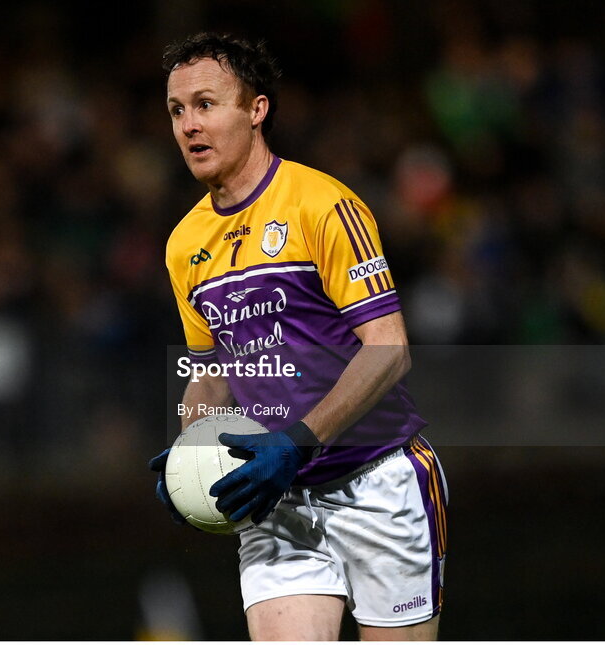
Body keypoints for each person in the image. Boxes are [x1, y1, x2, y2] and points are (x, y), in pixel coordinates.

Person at [149, 32, 448, 641]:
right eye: (177, 110)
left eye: (206, 104)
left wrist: (298, 441)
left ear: (257, 109)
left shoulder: (323, 205)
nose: (188, 126)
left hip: (379, 483)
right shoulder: (185, 244)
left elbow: (389, 349)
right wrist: (192, 457)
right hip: (277, 501)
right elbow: (210, 370)